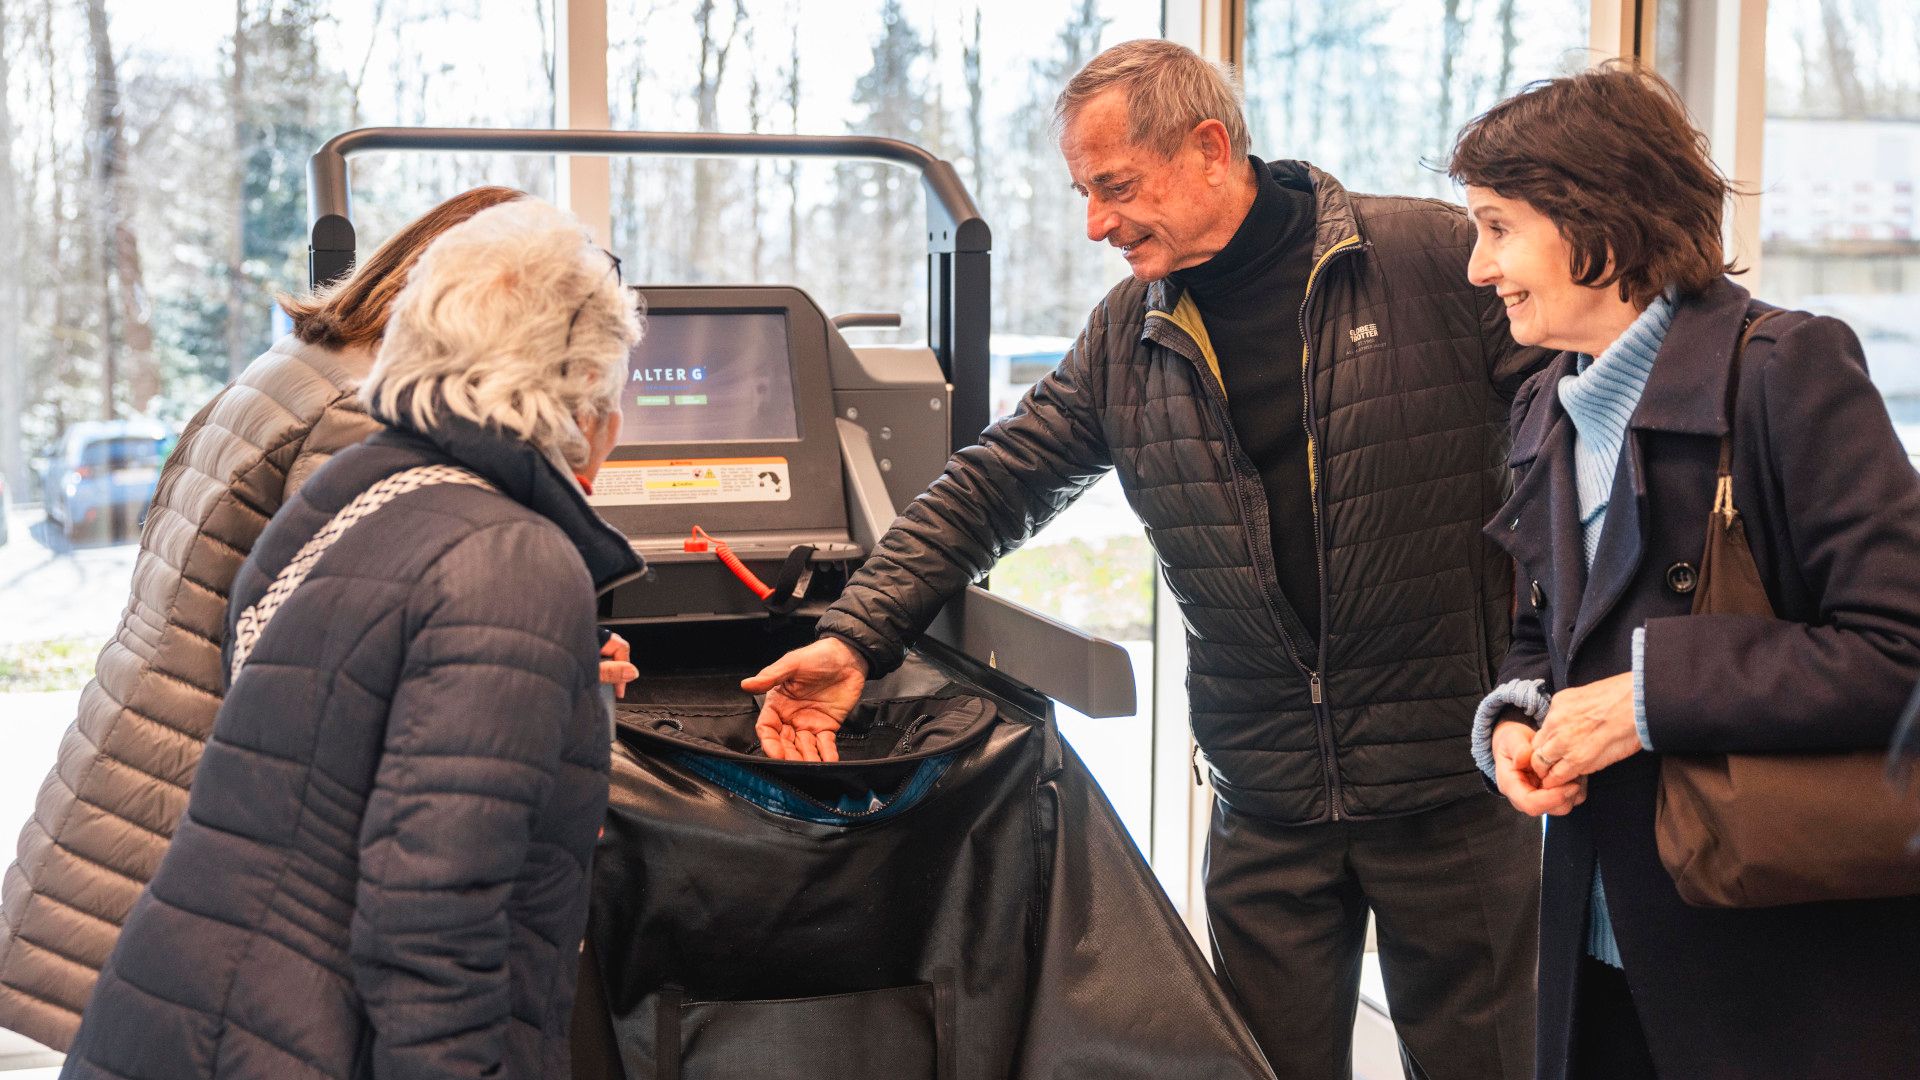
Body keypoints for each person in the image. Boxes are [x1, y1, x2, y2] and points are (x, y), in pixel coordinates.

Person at [745, 39, 1548, 1080]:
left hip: (1452, 780)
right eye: (1084, 191)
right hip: (1267, 800)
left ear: (1211, 149)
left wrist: (1559, 672)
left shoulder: (1432, 259)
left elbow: (1571, 457)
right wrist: (855, 635)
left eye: (1115, 186)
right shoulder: (1130, 332)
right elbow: (997, 480)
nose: (1095, 223)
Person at [55, 198, 642, 1080]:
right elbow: (432, 926)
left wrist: (553, 689)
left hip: (189, 1013)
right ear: (588, 399)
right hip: (305, 1044)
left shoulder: (350, 498)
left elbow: (337, 731)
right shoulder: (515, 559)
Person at [1455, 64, 1920, 1079]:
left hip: (1777, 960)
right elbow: (1545, 640)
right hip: (1599, 943)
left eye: (1497, 227)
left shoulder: (1786, 372)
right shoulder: (1546, 405)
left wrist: (1649, 699)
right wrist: (1517, 729)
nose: (1478, 268)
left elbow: (1901, 649)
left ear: (1598, 227)